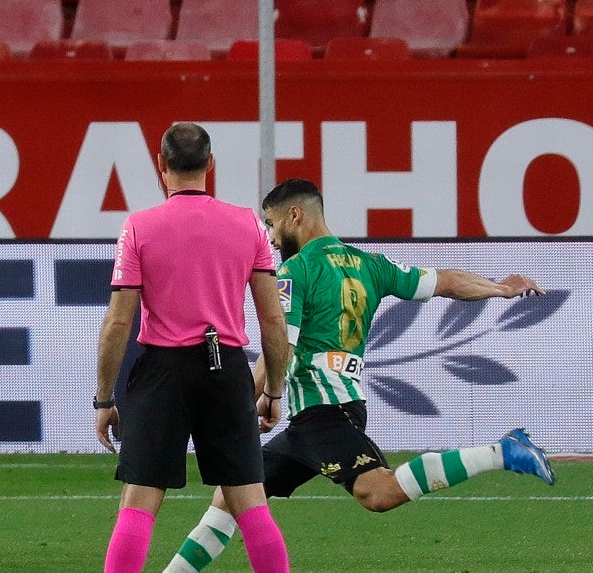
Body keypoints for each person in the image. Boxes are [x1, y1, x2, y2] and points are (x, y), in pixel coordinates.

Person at [163, 178, 555, 573]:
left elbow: (280, 345)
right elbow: (445, 281)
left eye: (271, 223)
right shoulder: (370, 264)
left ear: (294, 217)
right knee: (232, 497)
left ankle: (502, 452)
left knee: (379, 492)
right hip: (321, 416)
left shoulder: (295, 271)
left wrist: (249, 400)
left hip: (324, 414)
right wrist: (500, 289)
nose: (269, 235)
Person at [95, 123, 292, 573]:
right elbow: (273, 319)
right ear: (211, 166)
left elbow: (118, 322)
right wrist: (274, 390)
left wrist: (104, 398)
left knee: (138, 505)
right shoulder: (248, 224)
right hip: (225, 372)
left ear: (161, 166)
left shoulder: (138, 227)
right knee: (251, 506)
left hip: (162, 371)